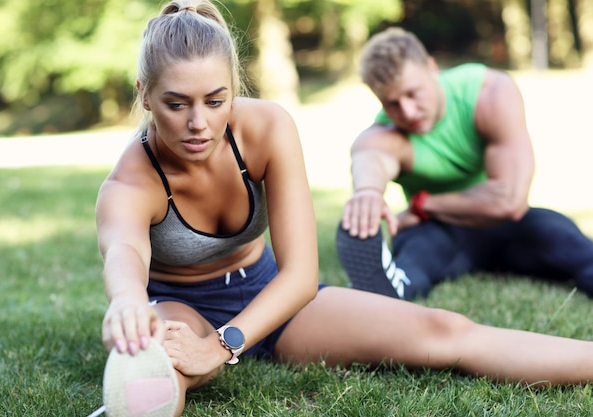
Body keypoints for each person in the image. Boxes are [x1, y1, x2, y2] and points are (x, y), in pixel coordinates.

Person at [95, 4, 593, 417]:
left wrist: (224, 345)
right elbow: (124, 253)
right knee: (152, 376)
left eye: (216, 99)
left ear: (234, 88)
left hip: (275, 299)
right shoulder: (131, 181)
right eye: (177, 104)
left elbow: (302, 276)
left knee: (444, 331)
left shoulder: (268, 128)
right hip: (183, 308)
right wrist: (127, 303)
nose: (199, 123)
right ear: (144, 94)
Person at [336, 27, 593, 301]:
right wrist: (367, 192)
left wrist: (424, 205)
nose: (407, 112)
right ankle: (385, 290)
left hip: (506, 227)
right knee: (415, 259)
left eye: (413, 94)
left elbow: (509, 201)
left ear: (432, 68)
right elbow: (370, 157)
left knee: (563, 238)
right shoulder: (384, 136)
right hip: (440, 233)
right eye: (392, 104)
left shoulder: (488, 93)